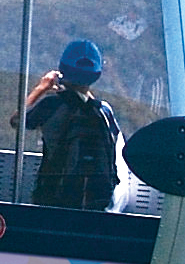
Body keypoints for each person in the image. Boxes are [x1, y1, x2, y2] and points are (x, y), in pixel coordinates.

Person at [23, 38, 124, 210]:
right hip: (98, 202)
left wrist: (41, 88)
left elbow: (17, 121)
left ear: (63, 69)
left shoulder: (52, 104)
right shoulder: (104, 111)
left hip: (55, 197)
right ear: (96, 74)